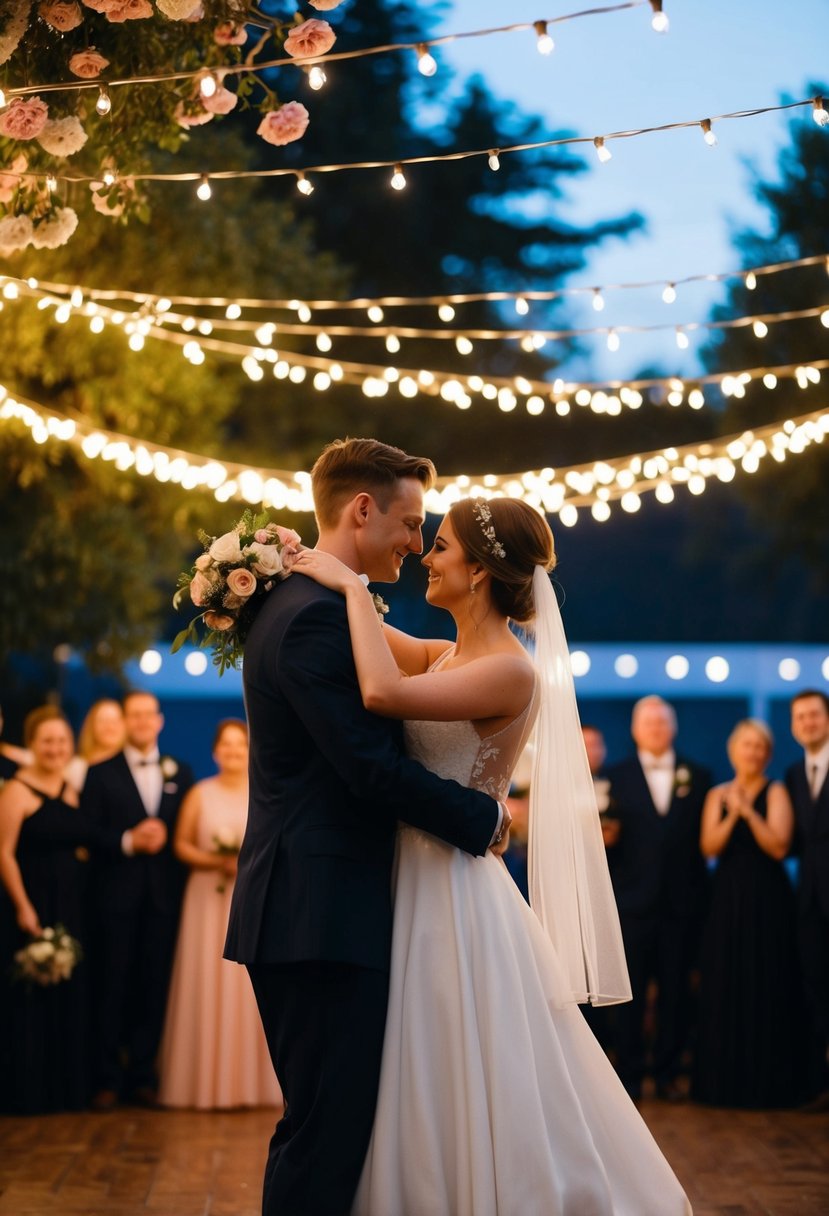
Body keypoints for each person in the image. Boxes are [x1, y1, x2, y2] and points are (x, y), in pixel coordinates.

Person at [293, 495, 691, 1216]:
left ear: (477, 573)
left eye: (439, 546)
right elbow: (373, 645)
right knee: (414, 1056)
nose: (424, 557)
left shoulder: (511, 670)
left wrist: (351, 585)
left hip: (450, 891)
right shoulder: (447, 653)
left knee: (449, 1046)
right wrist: (289, 570)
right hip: (408, 874)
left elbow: (381, 690)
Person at [224, 439, 505, 1216]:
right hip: (318, 909)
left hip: (315, 905)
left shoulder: (306, 605)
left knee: (327, 1123)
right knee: (325, 1131)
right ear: (360, 510)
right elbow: (366, 769)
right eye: (410, 524)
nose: (415, 544)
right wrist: (482, 816)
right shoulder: (315, 617)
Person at [158, 719, 281, 1110]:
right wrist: (216, 861)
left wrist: (244, 864)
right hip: (205, 901)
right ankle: (203, 1085)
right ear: (215, 752)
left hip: (251, 897)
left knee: (248, 989)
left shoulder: (264, 792)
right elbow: (180, 845)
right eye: (225, 746)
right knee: (206, 980)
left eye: (239, 745)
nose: (232, 752)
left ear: (251, 749)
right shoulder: (199, 794)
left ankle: (250, 1085)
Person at [81, 689, 193, 1110]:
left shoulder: (180, 772)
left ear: (160, 721)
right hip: (114, 897)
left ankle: (144, 1077)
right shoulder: (99, 772)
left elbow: (185, 829)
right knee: (112, 985)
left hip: (164, 897)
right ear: (126, 722)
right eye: (135, 715)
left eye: (150, 715)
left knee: (154, 984)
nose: (143, 722)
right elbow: (88, 833)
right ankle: (107, 1079)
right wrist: (128, 840)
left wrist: (169, 839)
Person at [693, 719, 806, 1107]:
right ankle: (725, 1083)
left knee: (768, 977)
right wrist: (730, 813)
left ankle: (768, 1083)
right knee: (727, 977)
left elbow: (778, 846)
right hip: (726, 897)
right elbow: (709, 846)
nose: (753, 752)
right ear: (733, 751)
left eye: (760, 746)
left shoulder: (776, 792)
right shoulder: (716, 794)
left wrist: (748, 811)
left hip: (768, 897)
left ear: (768, 754)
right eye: (746, 745)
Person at [604, 696, 710, 1101]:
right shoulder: (613, 778)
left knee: (676, 993)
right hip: (631, 906)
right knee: (629, 997)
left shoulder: (698, 777)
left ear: (674, 728)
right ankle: (629, 1076)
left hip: (682, 907)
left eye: (663, 722)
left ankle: (666, 1074)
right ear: (635, 729)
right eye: (648, 722)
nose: (656, 728)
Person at [0, 707, 93, 1113]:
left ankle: (63, 1090)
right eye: (47, 741)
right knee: (28, 995)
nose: (55, 748)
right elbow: (3, 852)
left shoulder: (71, 789)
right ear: (32, 745)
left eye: (61, 741)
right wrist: (23, 907)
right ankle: (28, 1092)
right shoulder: (17, 790)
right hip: (31, 902)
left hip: (69, 904)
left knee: (67, 993)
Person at [785, 689, 829, 1108]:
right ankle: (820, 1085)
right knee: (817, 991)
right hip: (811, 904)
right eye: (800, 718)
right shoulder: (794, 774)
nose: (807, 723)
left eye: (814, 715)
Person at [65, 698, 126, 794]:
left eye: (115, 721)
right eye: (103, 721)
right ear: (91, 725)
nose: (110, 727)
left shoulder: (133, 769)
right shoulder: (77, 768)